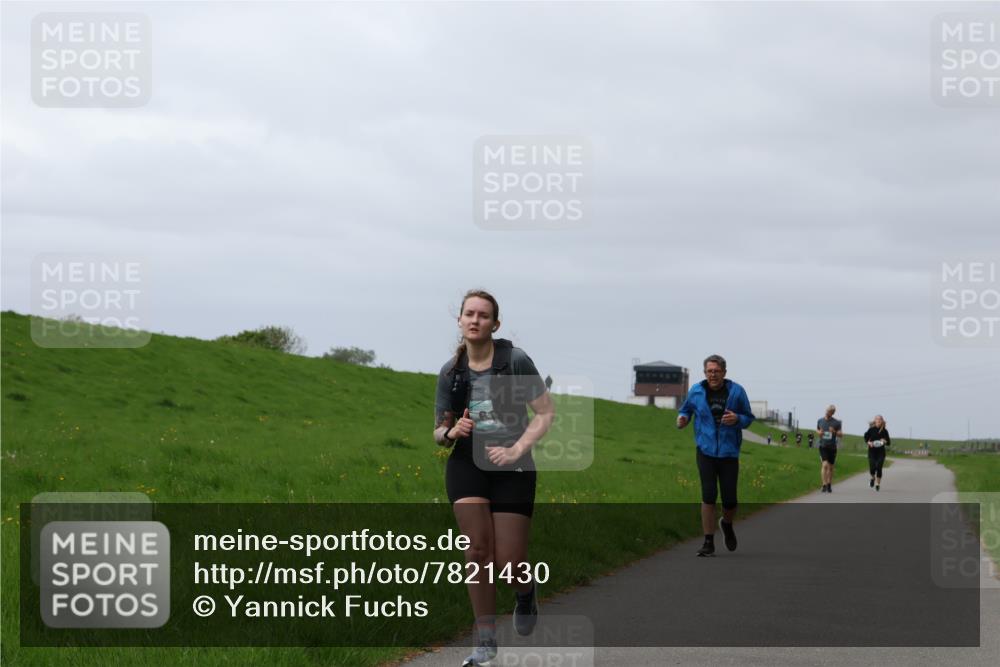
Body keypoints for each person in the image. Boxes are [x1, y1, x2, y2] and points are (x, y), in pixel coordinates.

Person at [433, 289, 555, 667]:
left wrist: (517, 450)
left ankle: (525, 590)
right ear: (460, 321)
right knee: (476, 552)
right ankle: (485, 643)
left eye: (483, 315)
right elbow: (439, 432)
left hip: (512, 468)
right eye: (469, 313)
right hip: (467, 465)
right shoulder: (451, 372)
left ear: (494, 324)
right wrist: (452, 433)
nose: (475, 320)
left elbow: (545, 414)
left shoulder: (514, 360)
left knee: (508, 561)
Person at [676, 354, 755, 557]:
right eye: (709, 371)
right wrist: (683, 418)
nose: (713, 375)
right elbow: (685, 410)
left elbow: (748, 418)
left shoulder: (736, 391)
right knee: (708, 495)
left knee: (730, 501)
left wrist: (737, 418)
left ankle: (726, 524)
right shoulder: (696, 391)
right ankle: (708, 542)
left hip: (729, 452)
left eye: (717, 371)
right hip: (705, 451)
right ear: (704, 373)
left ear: (724, 373)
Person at [816, 405, 843, 493]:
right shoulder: (820, 420)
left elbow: (841, 435)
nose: (827, 412)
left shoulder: (836, 423)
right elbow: (818, 430)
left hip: (832, 447)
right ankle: (824, 485)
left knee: (831, 467)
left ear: (832, 413)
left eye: (830, 411)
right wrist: (819, 433)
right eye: (827, 410)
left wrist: (834, 432)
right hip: (823, 446)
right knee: (825, 465)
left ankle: (829, 484)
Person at [864, 415, 891, 491]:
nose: (878, 420)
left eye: (880, 419)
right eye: (877, 419)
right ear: (875, 421)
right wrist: (869, 442)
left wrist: (885, 441)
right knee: (872, 468)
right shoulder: (871, 430)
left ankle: (877, 484)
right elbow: (865, 437)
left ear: (882, 421)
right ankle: (872, 478)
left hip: (881, 453)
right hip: (872, 452)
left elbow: (889, 442)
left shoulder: (885, 431)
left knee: (879, 467)